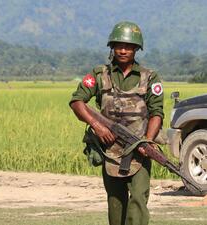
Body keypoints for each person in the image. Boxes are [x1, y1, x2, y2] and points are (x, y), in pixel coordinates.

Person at [69, 21, 164, 225]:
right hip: (110, 150)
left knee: (138, 199)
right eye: (119, 45)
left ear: (136, 49)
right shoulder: (99, 75)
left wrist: (147, 141)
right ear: (112, 47)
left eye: (128, 46)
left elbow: (157, 112)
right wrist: (98, 126)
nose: (123, 50)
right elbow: (77, 102)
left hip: (140, 150)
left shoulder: (150, 78)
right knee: (115, 203)